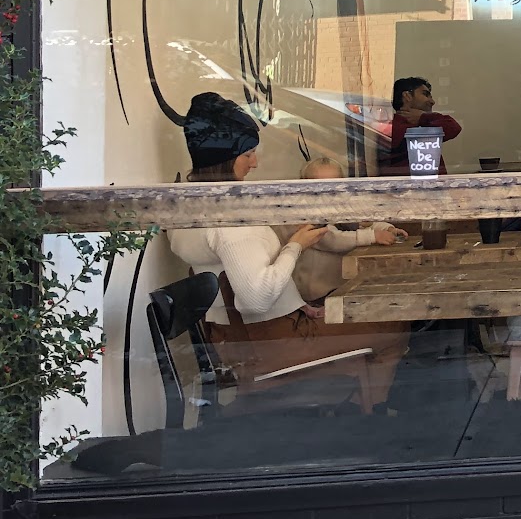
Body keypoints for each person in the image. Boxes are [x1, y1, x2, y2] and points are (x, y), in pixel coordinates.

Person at [167, 93, 411, 406]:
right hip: (271, 344)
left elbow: (241, 279)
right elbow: (257, 299)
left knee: (360, 322)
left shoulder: (187, 209)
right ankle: (370, 412)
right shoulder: (230, 221)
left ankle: (339, 399)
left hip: (233, 337)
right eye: (248, 154)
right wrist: (296, 245)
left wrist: (297, 304)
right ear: (225, 157)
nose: (255, 163)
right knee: (393, 323)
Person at [289, 154, 407, 304]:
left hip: (340, 284)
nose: (329, 191)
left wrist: (387, 229)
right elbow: (331, 239)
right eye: (320, 186)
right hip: (315, 293)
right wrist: (372, 236)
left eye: (335, 185)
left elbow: (364, 222)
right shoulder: (305, 212)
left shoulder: (341, 206)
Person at [379, 76, 462, 176]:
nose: (432, 101)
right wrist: (424, 118)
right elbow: (453, 127)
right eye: (425, 94)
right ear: (407, 96)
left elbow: (453, 127)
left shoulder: (426, 123)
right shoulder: (392, 127)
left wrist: (423, 117)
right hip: (405, 185)